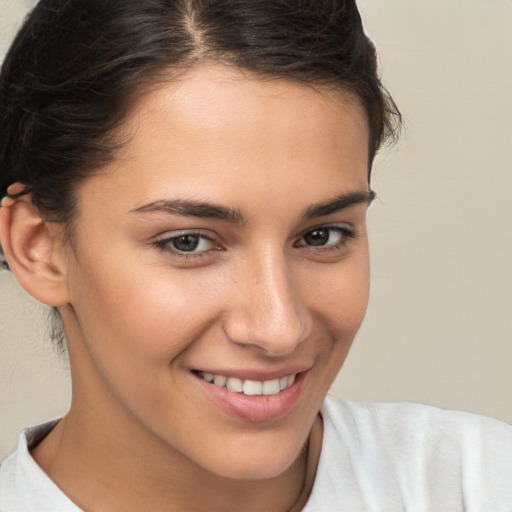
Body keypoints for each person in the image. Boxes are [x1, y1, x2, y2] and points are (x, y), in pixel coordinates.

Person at [0, 1, 511, 511]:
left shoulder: (483, 485)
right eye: (189, 242)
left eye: (321, 235)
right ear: (38, 247)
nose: (279, 328)